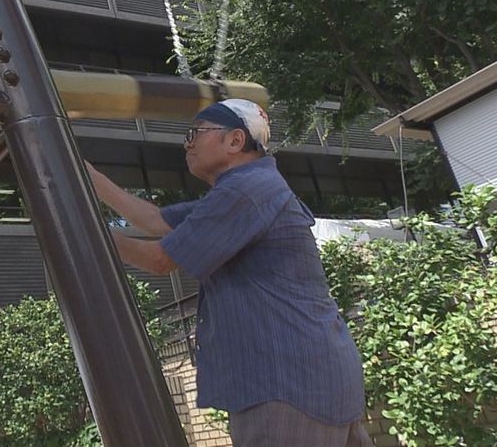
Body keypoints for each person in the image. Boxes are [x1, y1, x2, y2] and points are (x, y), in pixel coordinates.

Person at [85, 99, 372, 447]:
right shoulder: (247, 189)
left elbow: (159, 259)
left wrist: (84, 228)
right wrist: (90, 178)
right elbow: (153, 221)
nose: (187, 143)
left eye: (196, 132)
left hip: (285, 385)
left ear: (235, 141)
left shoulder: (245, 191)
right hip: (313, 377)